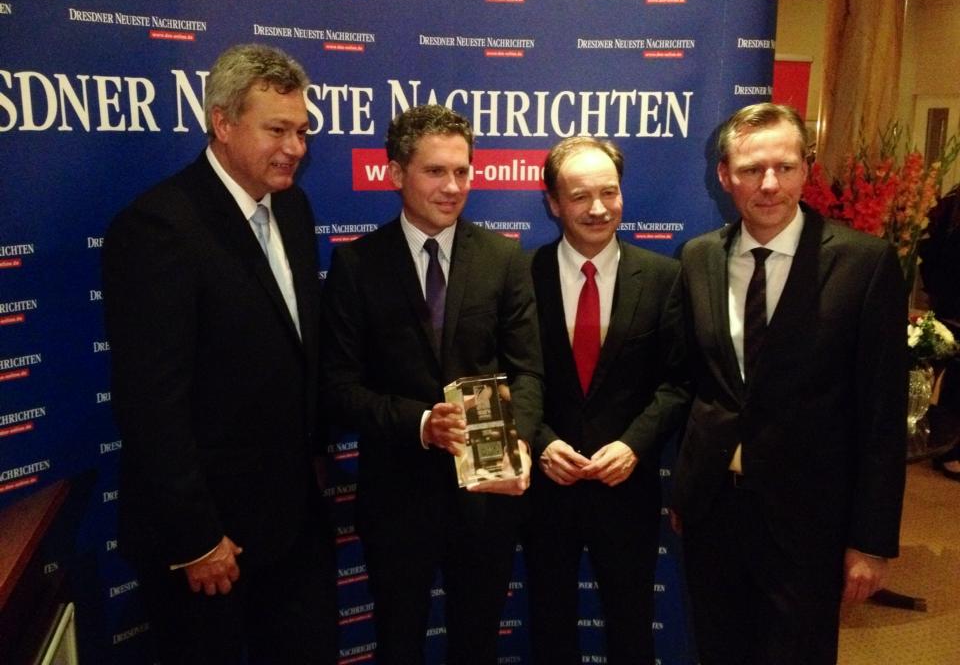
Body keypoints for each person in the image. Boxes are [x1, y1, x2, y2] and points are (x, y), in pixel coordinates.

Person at [102, 44, 336, 664]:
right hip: (211, 547)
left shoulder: (293, 206)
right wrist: (197, 538)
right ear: (223, 123)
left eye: (302, 130)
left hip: (293, 528)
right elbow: (151, 403)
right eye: (277, 130)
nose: (295, 148)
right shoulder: (159, 228)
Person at [672, 103, 908, 665]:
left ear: (807, 168)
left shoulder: (864, 264)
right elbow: (696, 384)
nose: (770, 184)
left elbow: (881, 415)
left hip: (810, 520)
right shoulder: (700, 258)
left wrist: (871, 541)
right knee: (719, 650)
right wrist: (689, 487)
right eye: (752, 169)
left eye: (785, 165)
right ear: (725, 175)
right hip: (714, 514)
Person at [318, 104, 543, 665]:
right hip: (397, 501)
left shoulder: (502, 257)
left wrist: (520, 442)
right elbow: (338, 388)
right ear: (396, 174)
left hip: (486, 502)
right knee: (398, 644)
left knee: (476, 645)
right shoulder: (356, 266)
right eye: (435, 171)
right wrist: (420, 423)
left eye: (462, 171)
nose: (452, 186)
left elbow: (529, 371)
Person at [524, 137, 688, 665]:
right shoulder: (521, 277)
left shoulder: (665, 278)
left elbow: (678, 382)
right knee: (549, 624)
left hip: (628, 488)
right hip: (547, 487)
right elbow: (503, 377)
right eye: (579, 196)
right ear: (553, 202)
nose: (597, 208)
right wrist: (541, 443)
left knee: (632, 626)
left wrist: (635, 445)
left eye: (609, 192)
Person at [919, 182, 960, 479]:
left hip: (948, 296)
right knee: (957, 371)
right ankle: (951, 452)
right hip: (953, 298)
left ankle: (951, 450)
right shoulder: (954, 201)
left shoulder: (953, 197)